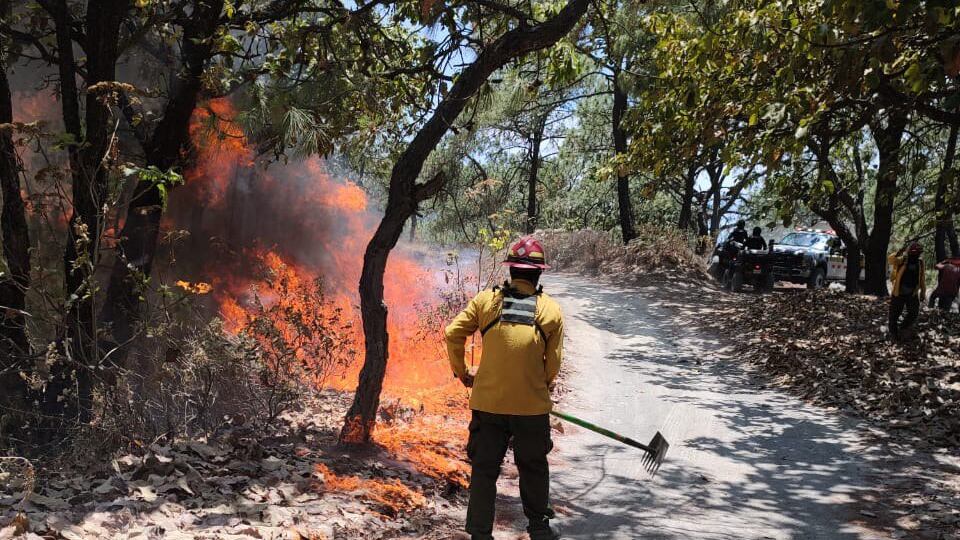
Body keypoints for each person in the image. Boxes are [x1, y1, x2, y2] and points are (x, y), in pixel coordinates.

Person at [445, 236, 564, 540]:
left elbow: (452, 333)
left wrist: (463, 372)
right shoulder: (550, 310)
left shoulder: (487, 301)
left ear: (510, 270)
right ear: (539, 274)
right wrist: (538, 387)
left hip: (488, 404)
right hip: (531, 408)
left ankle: (479, 534)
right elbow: (553, 366)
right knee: (533, 466)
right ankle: (539, 528)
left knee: (484, 469)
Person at [888, 243, 926, 339]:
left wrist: (923, 292)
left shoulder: (920, 263)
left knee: (914, 313)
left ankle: (903, 328)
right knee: (894, 315)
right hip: (898, 293)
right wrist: (899, 252)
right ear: (909, 252)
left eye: (917, 253)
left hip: (912, 293)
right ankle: (893, 333)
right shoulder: (902, 259)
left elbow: (922, 278)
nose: (915, 254)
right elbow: (891, 260)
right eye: (913, 253)